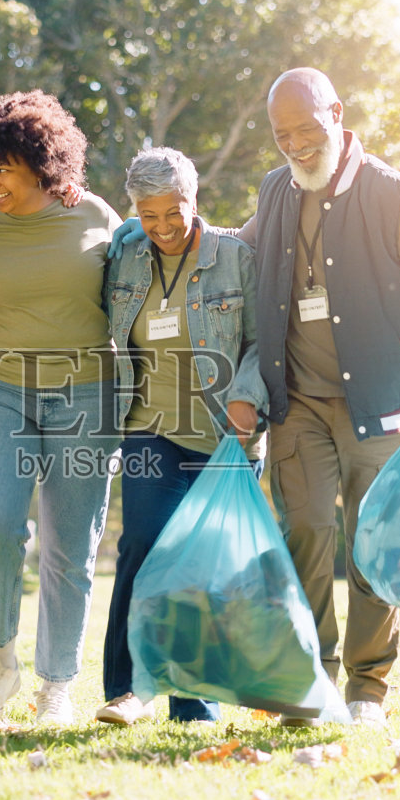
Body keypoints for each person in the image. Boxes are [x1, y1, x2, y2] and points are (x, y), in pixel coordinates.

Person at [244, 68, 400, 726]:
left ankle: (367, 688)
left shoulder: (392, 192)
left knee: (372, 542)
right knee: (305, 528)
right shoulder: (275, 190)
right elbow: (241, 248)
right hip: (300, 402)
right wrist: (173, 232)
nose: (298, 148)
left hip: (382, 399)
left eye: (308, 131)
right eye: (284, 137)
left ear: (337, 113)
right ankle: (312, 681)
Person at [0, 90, 123, 725]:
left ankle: (57, 684)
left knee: (70, 542)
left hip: (86, 391)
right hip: (1, 388)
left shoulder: (96, 217)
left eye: (4, 169)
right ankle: (0, 661)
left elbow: (131, 297)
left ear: (42, 164)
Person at [96, 147, 267, 725]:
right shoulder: (126, 257)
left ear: (195, 200)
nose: (164, 227)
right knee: (142, 546)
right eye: (149, 216)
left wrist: (249, 399)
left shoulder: (237, 259)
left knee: (207, 565)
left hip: (226, 434)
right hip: (149, 428)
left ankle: (193, 701)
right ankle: (125, 689)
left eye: (175, 212)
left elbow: (265, 341)